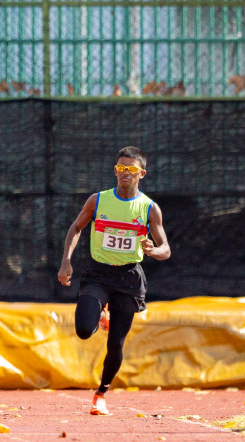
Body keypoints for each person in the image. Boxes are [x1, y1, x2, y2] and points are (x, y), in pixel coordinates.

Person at [57, 146, 171, 415]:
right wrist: (66, 261)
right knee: (84, 330)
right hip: (98, 273)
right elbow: (76, 228)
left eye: (131, 169)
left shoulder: (149, 208)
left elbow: (166, 248)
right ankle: (99, 313)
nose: (125, 173)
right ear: (115, 170)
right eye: (121, 168)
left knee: (116, 343)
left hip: (129, 278)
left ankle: (101, 393)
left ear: (141, 173)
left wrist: (153, 250)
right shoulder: (97, 201)